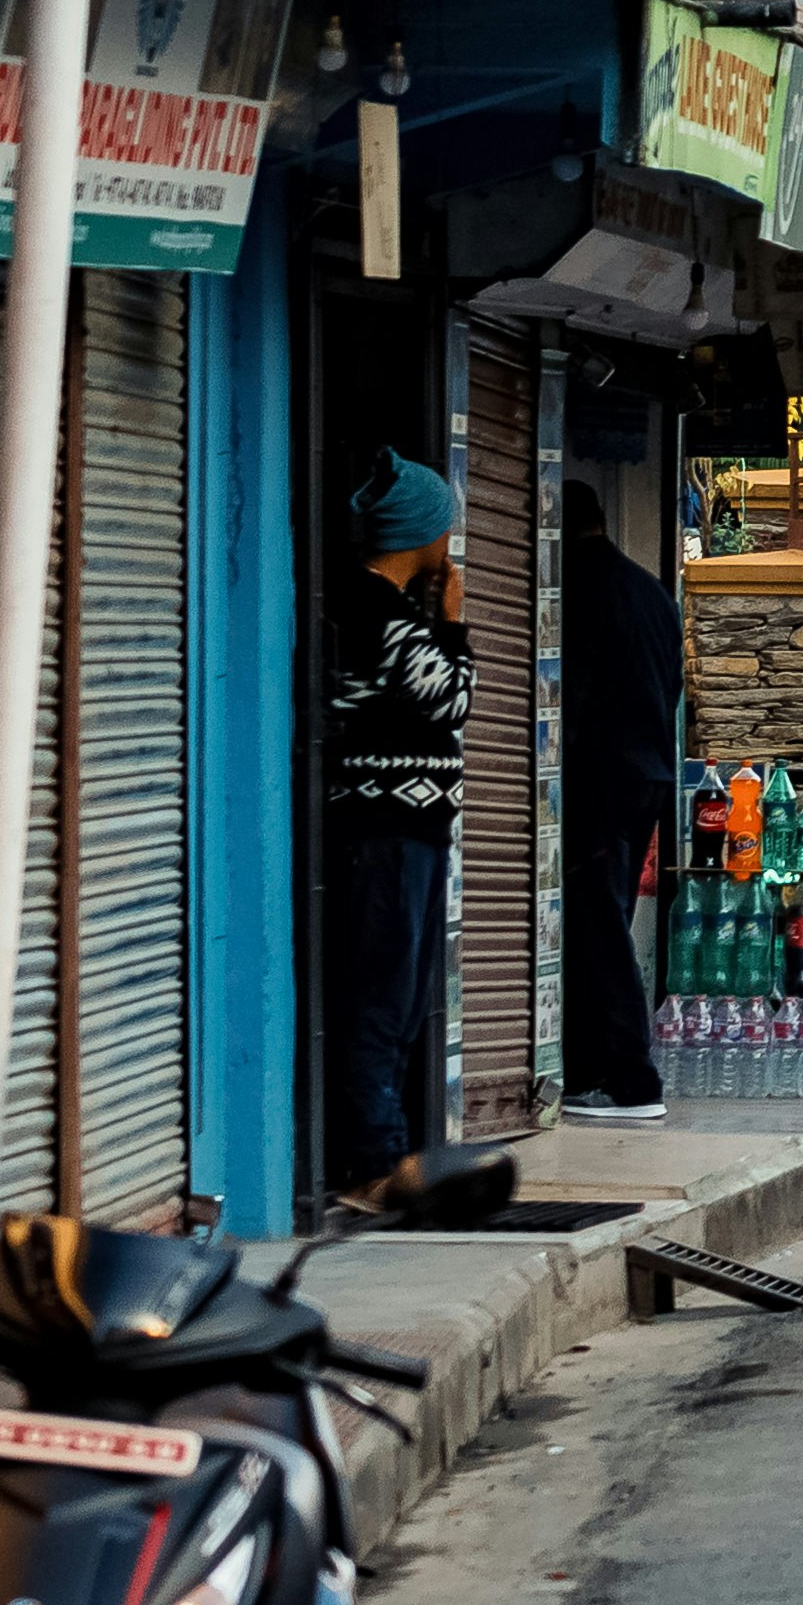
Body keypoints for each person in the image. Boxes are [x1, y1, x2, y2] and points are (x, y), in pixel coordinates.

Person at [322, 455, 471, 1190]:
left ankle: (390, 1151)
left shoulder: (384, 610)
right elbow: (450, 704)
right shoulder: (377, 612)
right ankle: (375, 1162)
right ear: (423, 531)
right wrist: (452, 624)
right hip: (384, 832)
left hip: (404, 830)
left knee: (403, 998)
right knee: (382, 996)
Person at [555, 480, 683, 1126]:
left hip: (599, 777)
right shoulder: (650, 590)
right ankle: (588, 1070)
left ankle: (628, 1077)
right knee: (603, 919)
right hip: (646, 776)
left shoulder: (578, 587)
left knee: (597, 925)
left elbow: (570, 694)